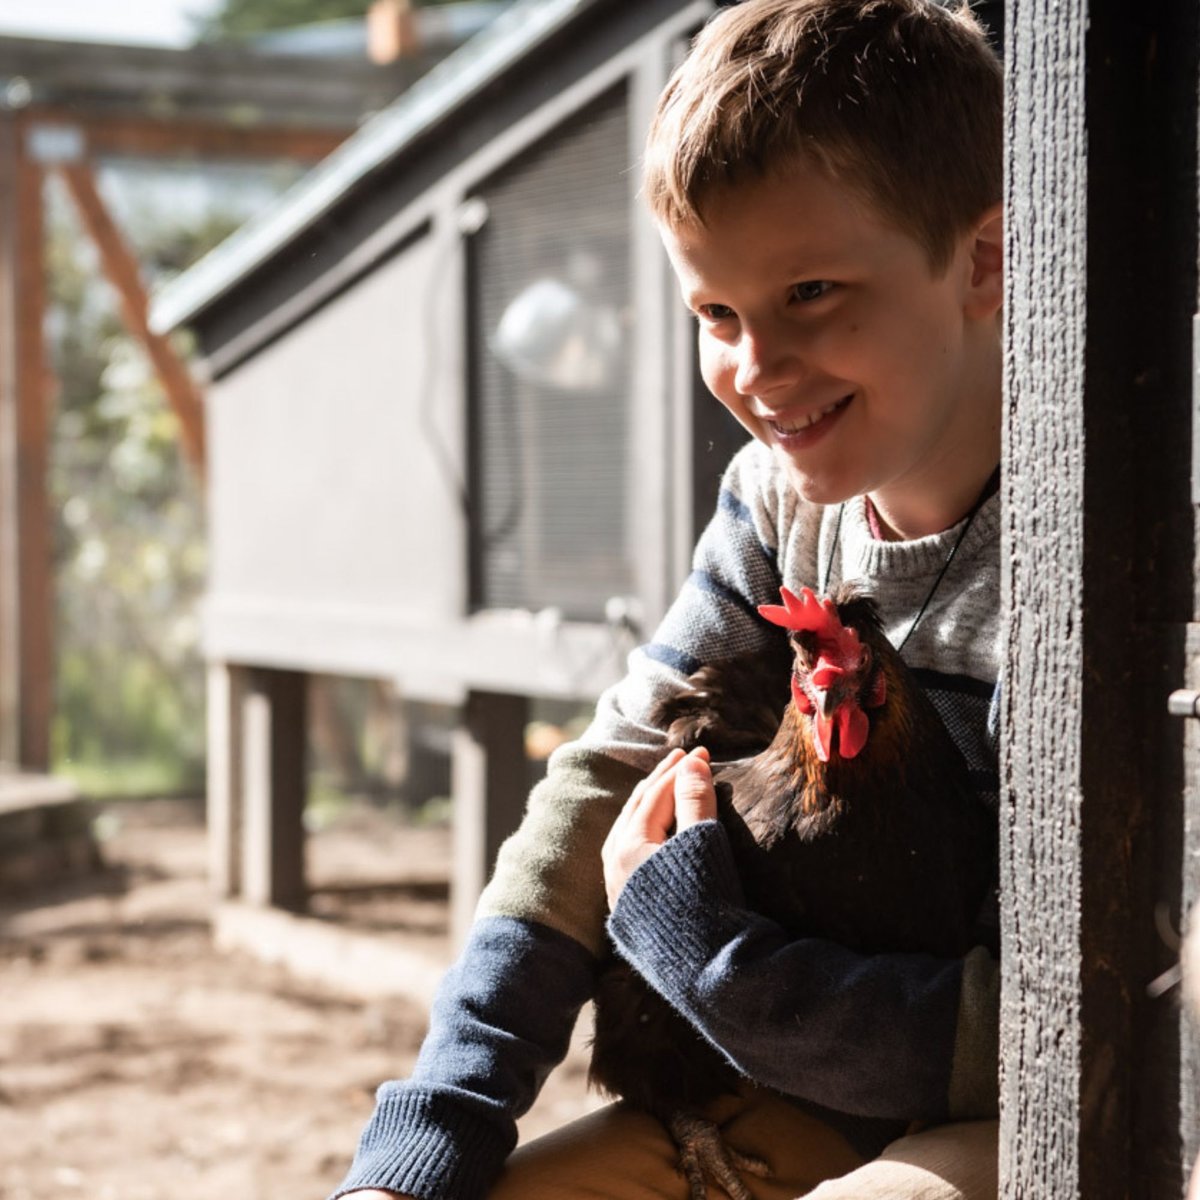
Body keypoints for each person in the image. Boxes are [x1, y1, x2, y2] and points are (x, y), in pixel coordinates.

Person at [333, 0, 1004, 1196]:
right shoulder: (778, 503)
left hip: (1036, 1106)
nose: (756, 371)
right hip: (793, 1080)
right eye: (717, 314)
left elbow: (1064, 1022)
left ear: (985, 262)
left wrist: (716, 966)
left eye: (810, 292)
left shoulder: (1107, 551)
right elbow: (608, 778)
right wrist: (435, 1129)